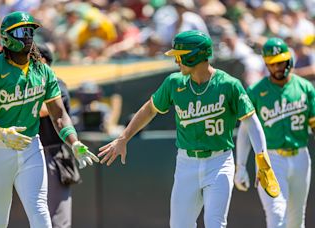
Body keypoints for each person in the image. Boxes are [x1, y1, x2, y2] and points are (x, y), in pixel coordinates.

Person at [98, 30, 280, 228]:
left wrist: (261, 157)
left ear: (194, 56)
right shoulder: (175, 82)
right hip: (187, 163)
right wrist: (124, 138)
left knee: (215, 224)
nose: (177, 61)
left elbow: (251, 121)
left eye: (180, 56)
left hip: (219, 162)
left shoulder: (228, 84)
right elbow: (149, 109)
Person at [0, 11, 99, 228]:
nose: (29, 36)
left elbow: (58, 114)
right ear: (6, 37)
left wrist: (74, 142)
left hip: (31, 145)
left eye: (31, 30)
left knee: (40, 210)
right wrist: (0, 132)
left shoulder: (43, 70)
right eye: (23, 31)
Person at [234, 37, 315, 228]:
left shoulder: (305, 87)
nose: (277, 67)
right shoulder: (256, 91)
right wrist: (241, 165)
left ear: (289, 59)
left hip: (300, 156)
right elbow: (245, 131)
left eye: (280, 62)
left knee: (296, 220)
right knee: (277, 215)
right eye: (272, 64)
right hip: (270, 159)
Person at [37, 43, 79, 228]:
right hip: (33, 154)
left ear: (43, 60)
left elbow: (44, 110)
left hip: (54, 155)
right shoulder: (27, 85)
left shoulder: (56, 83)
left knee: (58, 220)